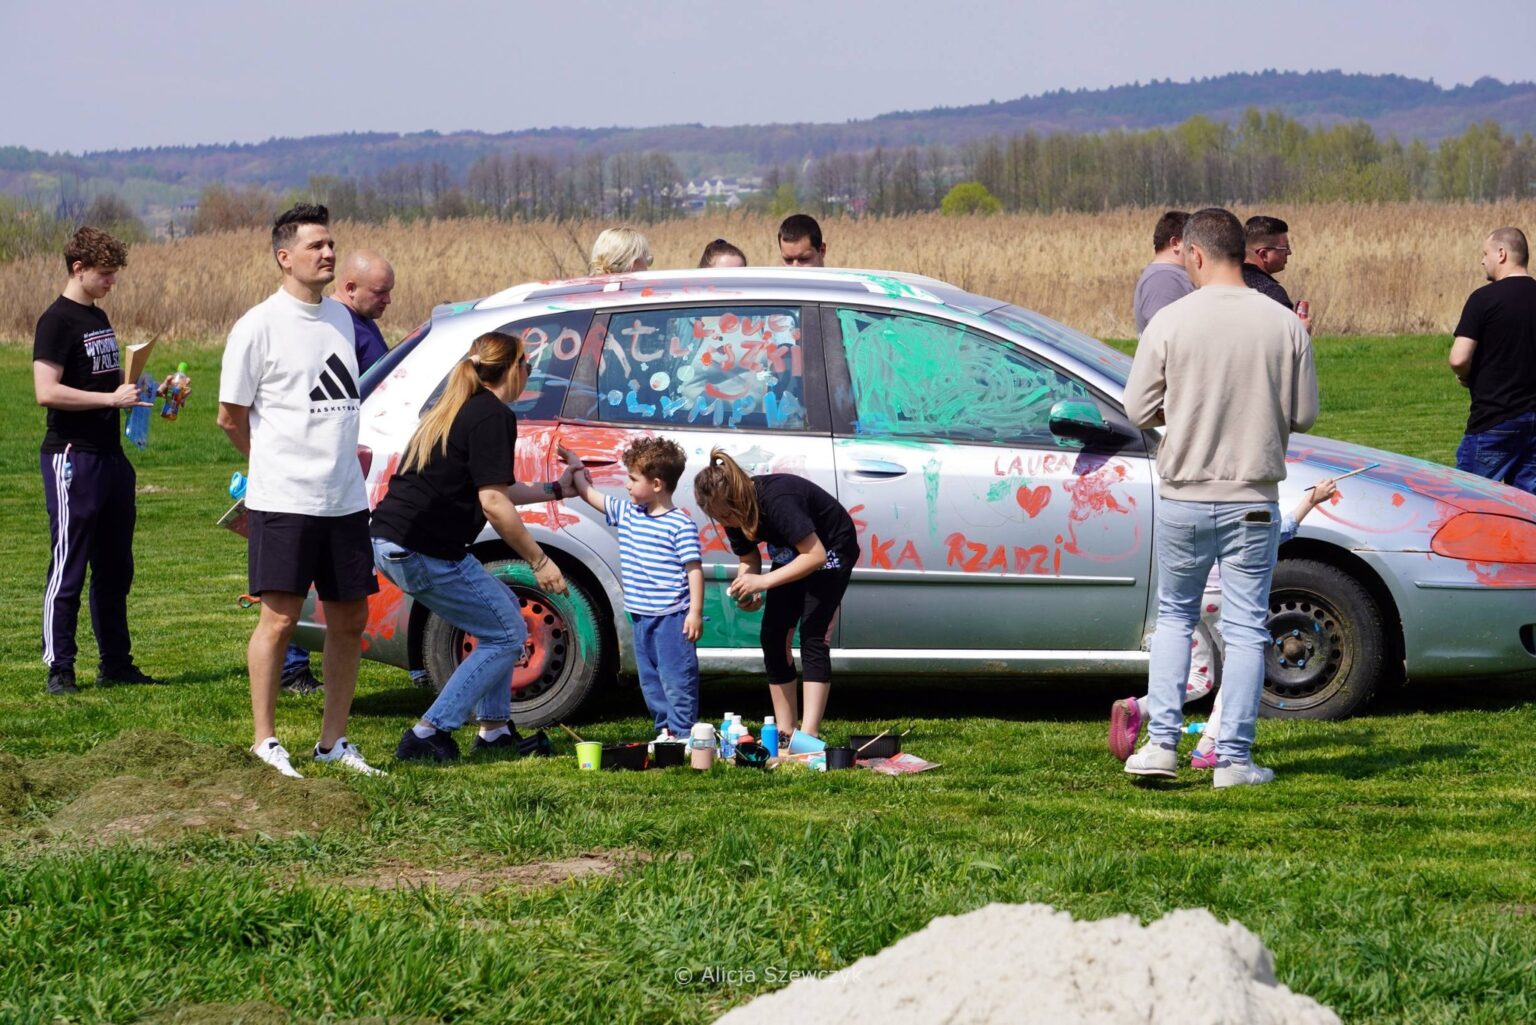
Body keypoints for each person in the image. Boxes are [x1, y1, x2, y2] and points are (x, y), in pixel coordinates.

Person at [1122, 206, 1318, 789]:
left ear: (1196, 253)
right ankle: (1232, 758)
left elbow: (1137, 408)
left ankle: (1161, 745)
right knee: (1247, 628)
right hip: (1253, 497)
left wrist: (1182, 410)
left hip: (1184, 493)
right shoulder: (1283, 322)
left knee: (1174, 618)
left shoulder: (1170, 321)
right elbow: (1305, 414)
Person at [217, 203, 383, 779]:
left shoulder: (343, 319)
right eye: (316, 246)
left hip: (345, 499)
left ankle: (332, 742)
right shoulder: (257, 326)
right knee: (280, 620)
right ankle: (265, 742)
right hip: (284, 500)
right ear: (285, 258)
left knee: (351, 619)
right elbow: (230, 416)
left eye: (331, 244)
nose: (329, 253)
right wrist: (268, 465)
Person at [370, 331, 572, 762]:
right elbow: (494, 503)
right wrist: (540, 561)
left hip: (397, 539)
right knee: (507, 634)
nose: (529, 373)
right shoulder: (493, 415)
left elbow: (495, 488)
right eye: (527, 365)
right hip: (421, 547)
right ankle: (428, 733)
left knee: (501, 616)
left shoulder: (458, 407)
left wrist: (557, 488)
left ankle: (494, 731)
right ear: (511, 370)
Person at [1108, 476, 1339, 765]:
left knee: (1199, 679)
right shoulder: (1239, 508)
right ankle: (1210, 746)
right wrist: (1312, 500)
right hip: (1222, 599)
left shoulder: (1191, 505)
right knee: (1237, 673)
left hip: (1192, 600)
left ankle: (1138, 709)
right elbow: (1279, 532)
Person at [34, 227, 175, 695]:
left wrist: (151, 388)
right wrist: (110, 400)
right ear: (78, 269)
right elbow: (46, 391)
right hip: (73, 456)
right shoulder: (55, 321)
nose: (112, 282)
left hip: (111, 458)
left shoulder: (97, 315)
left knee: (115, 568)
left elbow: (104, 381)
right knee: (69, 565)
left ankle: (116, 663)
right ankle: (60, 668)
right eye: (106, 274)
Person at [280, 248, 398, 695]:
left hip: (358, 461)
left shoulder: (361, 323)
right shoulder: (336, 327)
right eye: (380, 292)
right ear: (349, 288)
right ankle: (291, 665)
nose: (387, 300)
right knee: (306, 567)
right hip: (334, 465)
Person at [692, 450, 859, 740]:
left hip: (830, 548)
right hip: (795, 551)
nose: (727, 523)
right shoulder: (731, 513)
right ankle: (785, 730)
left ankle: (809, 735)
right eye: (718, 518)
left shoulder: (778, 500)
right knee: (772, 635)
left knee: (813, 634)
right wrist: (746, 589)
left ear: (738, 497)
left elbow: (815, 556)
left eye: (727, 515)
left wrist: (764, 581)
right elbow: (749, 558)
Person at [559, 438, 703, 741]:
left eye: (633, 478)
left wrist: (695, 613)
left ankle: (682, 732)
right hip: (640, 617)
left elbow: (694, 570)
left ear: (657, 484)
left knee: (676, 677)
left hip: (672, 618)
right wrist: (576, 467)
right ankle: (664, 731)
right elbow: (589, 494)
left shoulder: (680, 524)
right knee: (650, 681)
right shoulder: (628, 513)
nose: (626, 485)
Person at [1449, 227, 1536, 493]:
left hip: (1494, 420)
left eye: (1485, 253)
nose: (1482, 260)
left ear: (1502, 254)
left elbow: (1458, 358)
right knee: (1528, 506)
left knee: (1468, 499)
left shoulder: (1483, 299)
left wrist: (1466, 375)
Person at [1242, 215, 1313, 334]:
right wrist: (1301, 332)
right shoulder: (1272, 293)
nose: (1289, 253)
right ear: (1264, 254)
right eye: (1284, 248)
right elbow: (1285, 341)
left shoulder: (1223, 281)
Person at [1132, 210, 1193, 334]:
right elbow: (1165, 336)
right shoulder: (1163, 279)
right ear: (1175, 243)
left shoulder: (1166, 276)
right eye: (1194, 242)